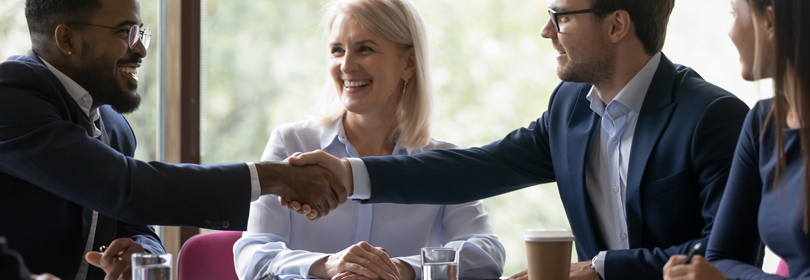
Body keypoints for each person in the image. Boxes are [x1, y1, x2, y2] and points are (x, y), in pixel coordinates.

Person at [283, 0, 753, 279]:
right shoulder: (569, 108)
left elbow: (726, 257)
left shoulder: (712, 116)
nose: (546, 30)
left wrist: (602, 269)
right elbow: (474, 169)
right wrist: (350, 173)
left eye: (561, 16)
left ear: (616, 25)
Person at [0, 0, 347, 279]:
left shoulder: (114, 125)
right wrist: (276, 178)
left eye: (141, 32)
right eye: (125, 32)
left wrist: (140, 254)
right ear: (67, 40)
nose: (140, 49)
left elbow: (139, 226)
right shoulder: (11, 94)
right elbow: (127, 188)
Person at [233, 1, 505, 280]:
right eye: (337, 50)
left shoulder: (440, 161)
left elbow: (487, 253)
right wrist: (326, 266)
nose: (347, 65)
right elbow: (253, 254)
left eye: (365, 49)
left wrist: (400, 269)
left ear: (408, 63)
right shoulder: (292, 144)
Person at [663, 0, 810, 279]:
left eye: (734, 14)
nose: (730, 32)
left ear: (768, 22)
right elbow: (723, 256)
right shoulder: (763, 124)